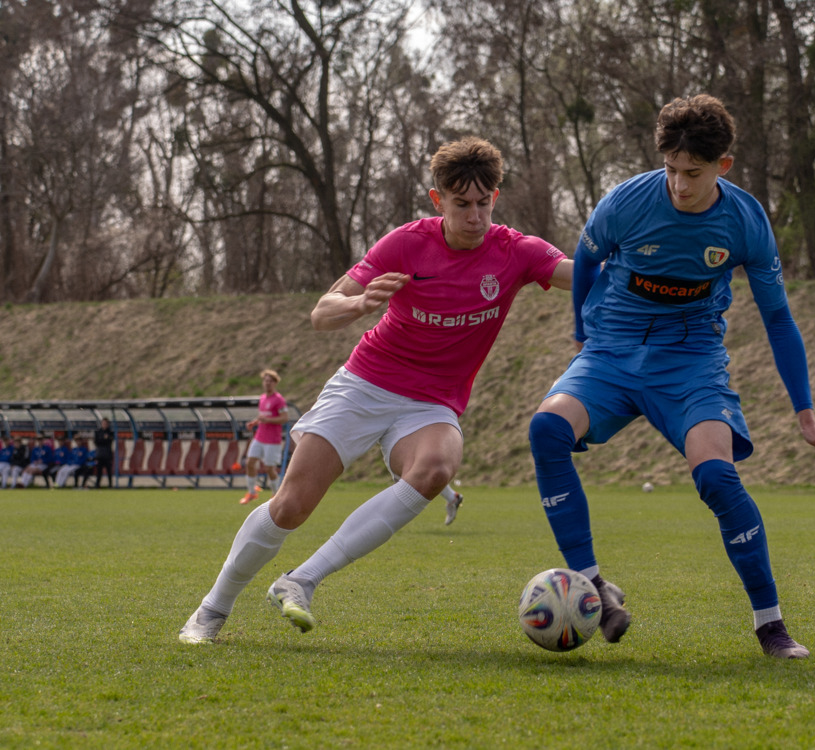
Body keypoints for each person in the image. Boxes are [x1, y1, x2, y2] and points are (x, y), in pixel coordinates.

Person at [179, 136, 573, 644]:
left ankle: (301, 580)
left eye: (484, 203)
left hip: (431, 403)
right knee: (292, 505)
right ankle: (211, 611)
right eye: (461, 204)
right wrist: (360, 303)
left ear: (495, 196)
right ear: (438, 200)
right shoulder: (406, 244)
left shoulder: (516, 251)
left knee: (435, 468)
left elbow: (585, 275)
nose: (475, 216)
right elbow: (322, 312)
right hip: (365, 385)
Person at [527, 94, 815, 660]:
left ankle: (770, 626)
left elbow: (778, 318)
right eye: (670, 168)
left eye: (692, 173)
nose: (678, 184)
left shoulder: (744, 221)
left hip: (691, 359)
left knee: (717, 478)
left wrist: (805, 414)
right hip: (613, 349)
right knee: (546, 430)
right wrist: (581, 332)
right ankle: (594, 587)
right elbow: (587, 258)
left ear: (723, 165)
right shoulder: (627, 202)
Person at [239, 369, 289, 504]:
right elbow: (263, 416)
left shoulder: (279, 400)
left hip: (272, 440)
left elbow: (284, 418)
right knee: (250, 463)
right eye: (265, 381)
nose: (267, 383)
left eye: (270, 381)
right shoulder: (262, 398)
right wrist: (254, 422)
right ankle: (252, 492)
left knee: (269, 468)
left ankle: (276, 495)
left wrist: (268, 420)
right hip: (259, 437)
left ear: (275, 383)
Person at [92, 417, 115, 488]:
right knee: (99, 471)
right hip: (99, 455)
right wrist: (104, 439)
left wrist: (104, 440)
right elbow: (96, 442)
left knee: (109, 471)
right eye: (103, 423)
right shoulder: (98, 432)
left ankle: (110, 485)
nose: (104, 424)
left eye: (106, 423)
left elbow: (109, 441)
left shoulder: (110, 432)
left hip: (107, 455)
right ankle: (97, 485)